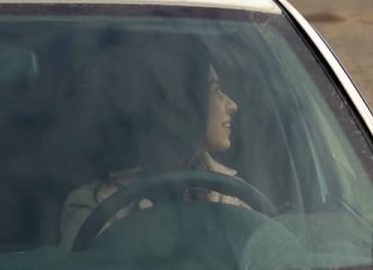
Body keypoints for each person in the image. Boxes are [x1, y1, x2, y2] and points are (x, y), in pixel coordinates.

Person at [59, 58, 244, 249]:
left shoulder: (229, 191)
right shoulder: (93, 206)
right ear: (181, 105)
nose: (232, 105)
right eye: (215, 91)